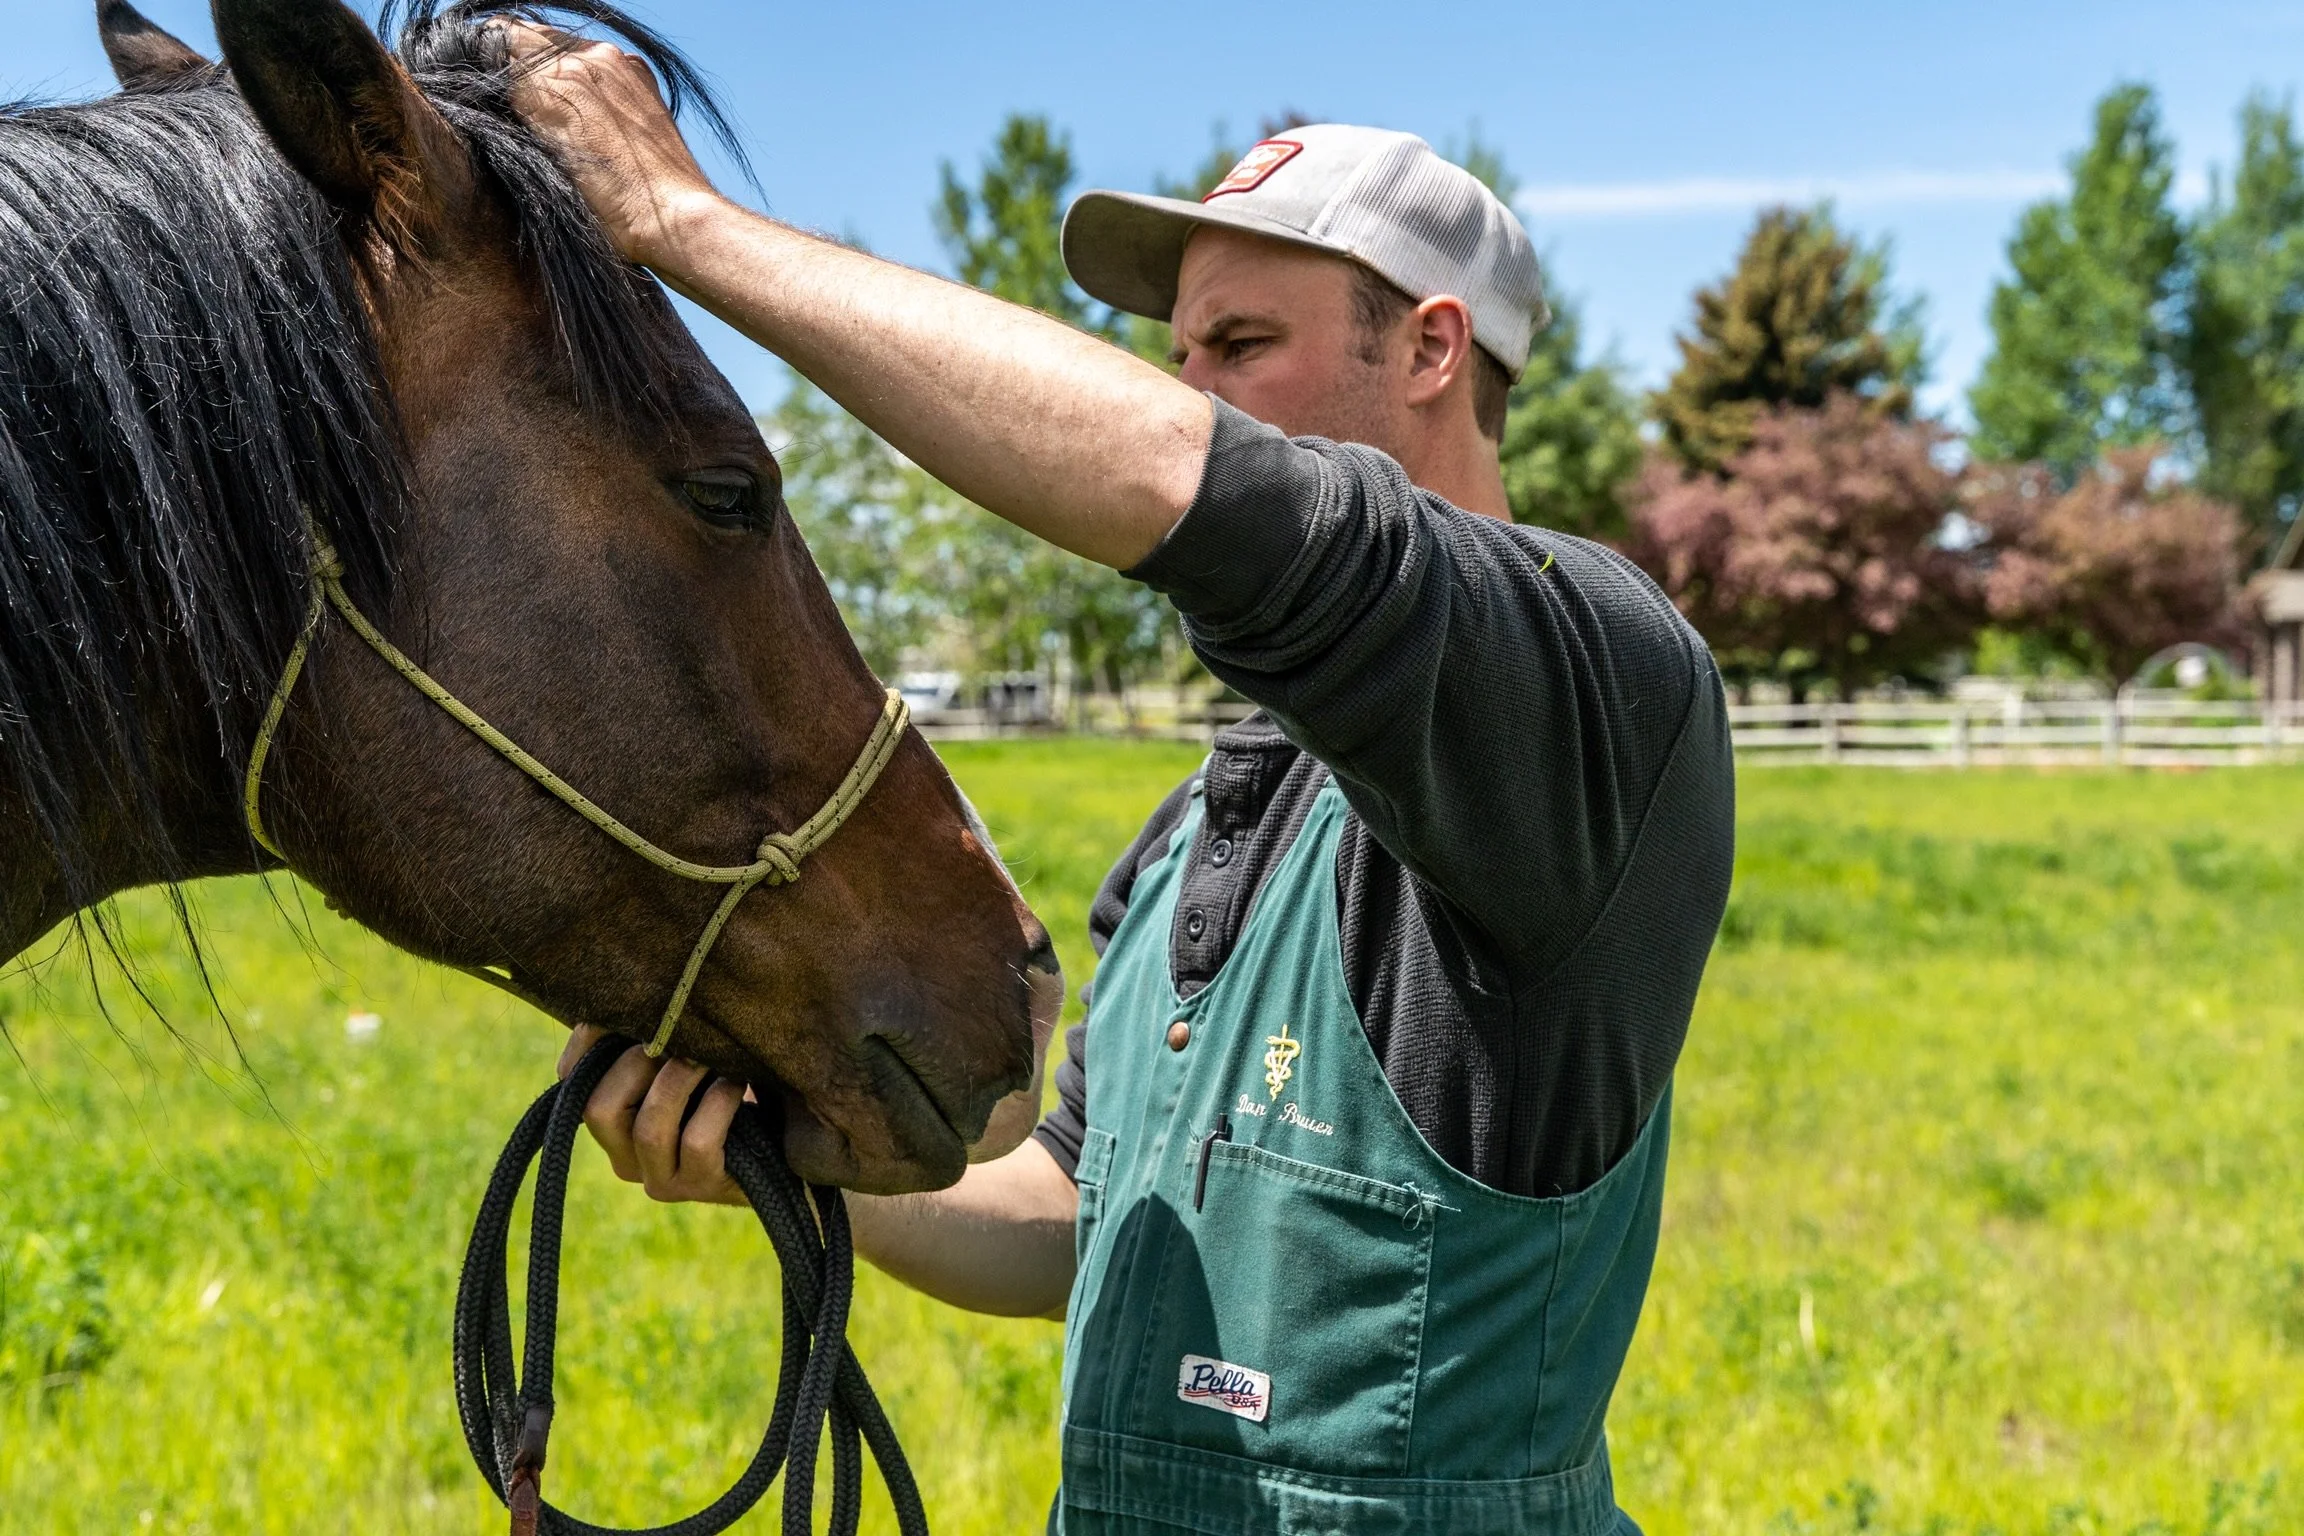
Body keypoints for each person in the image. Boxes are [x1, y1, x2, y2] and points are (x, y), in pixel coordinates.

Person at [510, 28, 1734, 1533]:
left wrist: (678, 225)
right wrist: (783, 1151)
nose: (1195, 394)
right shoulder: (1203, 824)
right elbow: (1072, 1213)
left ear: (1431, 348)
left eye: (1241, 350)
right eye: (1184, 362)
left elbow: (1202, 494)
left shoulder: (1595, 684)